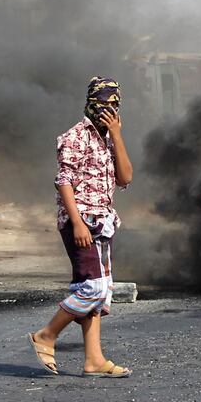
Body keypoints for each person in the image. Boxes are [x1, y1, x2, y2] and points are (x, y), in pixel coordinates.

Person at [27, 76, 133, 378]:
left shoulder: (110, 138)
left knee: (101, 294)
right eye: (104, 103)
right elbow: (64, 181)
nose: (109, 109)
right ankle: (46, 335)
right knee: (92, 288)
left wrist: (117, 135)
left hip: (105, 221)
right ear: (90, 103)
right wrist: (77, 223)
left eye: (115, 104)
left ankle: (94, 360)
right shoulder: (74, 137)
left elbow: (125, 178)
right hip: (82, 222)